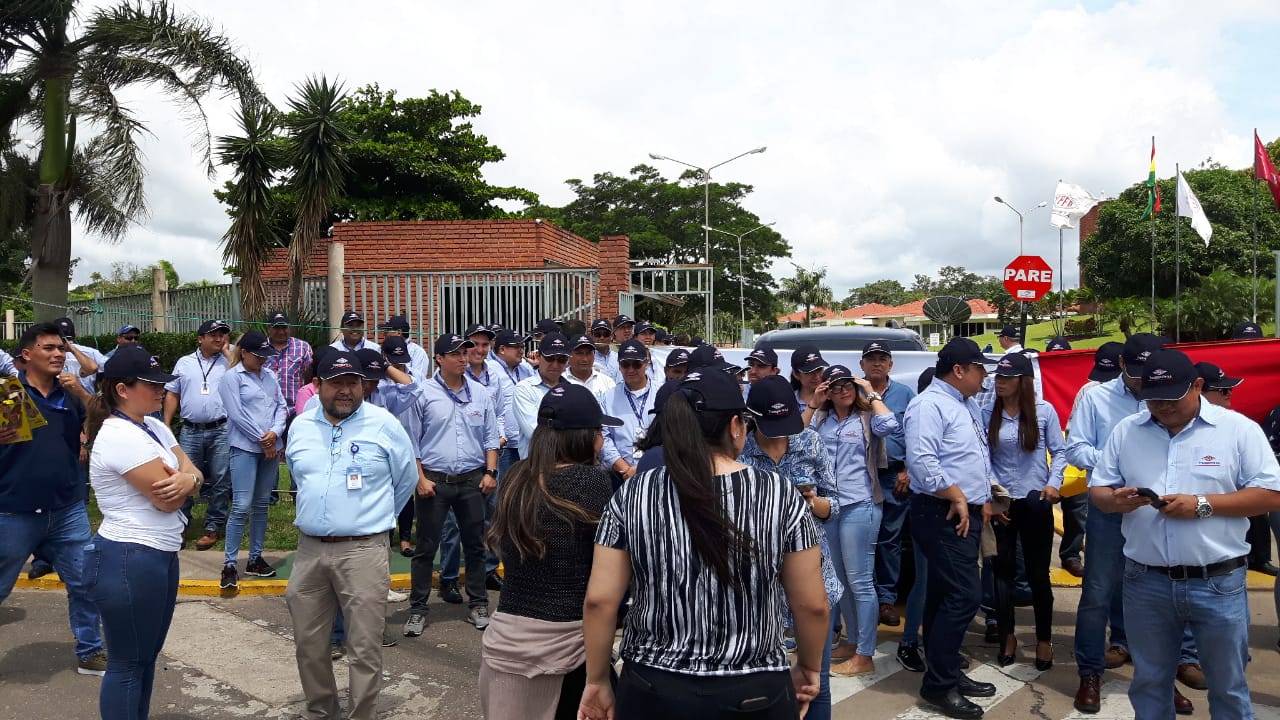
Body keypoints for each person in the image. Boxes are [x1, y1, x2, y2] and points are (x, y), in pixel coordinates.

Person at [577, 369, 829, 720]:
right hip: (753, 686)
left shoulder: (636, 492)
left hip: (654, 684)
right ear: (735, 427)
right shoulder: (779, 493)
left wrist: (597, 679)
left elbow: (600, 600)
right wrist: (809, 666)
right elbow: (813, 605)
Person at [1091, 348, 1280, 720]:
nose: (1162, 407)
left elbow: (1271, 494)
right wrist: (1115, 500)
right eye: (1153, 399)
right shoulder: (1127, 430)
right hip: (1146, 581)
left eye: (1171, 398)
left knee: (1227, 686)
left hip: (1218, 581)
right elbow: (1099, 491)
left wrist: (1203, 505)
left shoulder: (1237, 430)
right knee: (1149, 682)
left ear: (1197, 386)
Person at [1066, 334, 1198, 714]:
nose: (1145, 383)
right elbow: (1076, 447)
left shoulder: (1174, 395)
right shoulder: (1095, 397)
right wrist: (1119, 466)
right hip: (1111, 506)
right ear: (1122, 366)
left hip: (1160, 509)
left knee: (1160, 597)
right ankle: (1089, 672)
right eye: (1137, 373)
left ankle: (1160, 677)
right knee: (1097, 592)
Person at [284, 350, 418, 720]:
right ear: (318, 386)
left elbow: (405, 480)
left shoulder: (384, 425)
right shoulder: (301, 426)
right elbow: (298, 475)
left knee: (364, 647)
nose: (345, 391)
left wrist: (369, 518)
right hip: (309, 551)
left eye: (352, 383)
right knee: (309, 645)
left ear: (363, 386)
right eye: (336, 383)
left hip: (363, 551)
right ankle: (321, 711)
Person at [479, 383, 620, 720]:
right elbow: (603, 587)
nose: (602, 439)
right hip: (569, 649)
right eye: (599, 430)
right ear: (584, 436)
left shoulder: (515, 477)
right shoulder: (593, 482)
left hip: (506, 640)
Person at [84, 344, 202, 720]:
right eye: (151, 385)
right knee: (127, 663)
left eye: (161, 384)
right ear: (122, 389)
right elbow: (168, 501)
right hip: (129, 556)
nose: (161, 391)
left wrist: (188, 480)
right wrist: (188, 482)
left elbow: (194, 471)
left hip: (157, 555)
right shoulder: (118, 434)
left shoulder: (153, 426)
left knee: (146, 658)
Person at [0, 322, 107, 676]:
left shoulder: (68, 393)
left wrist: (80, 393)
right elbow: (16, 448)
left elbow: (106, 422)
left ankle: (91, 651)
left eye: (61, 348)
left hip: (67, 509)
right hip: (16, 511)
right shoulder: (11, 393)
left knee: (85, 583)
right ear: (26, 355)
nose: (59, 354)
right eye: (49, 348)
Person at [904, 337, 997, 719]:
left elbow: (973, 454)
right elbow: (922, 461)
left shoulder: (966, 403)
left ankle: (948, 670)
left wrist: (982, 496)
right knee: (963, 595)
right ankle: (939, 685)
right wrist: (958, 495)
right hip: (941, 510)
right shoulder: (928, 405)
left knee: (945, 595)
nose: (984, 376)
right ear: (959, 370)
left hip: (964, 509)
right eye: (979, 369)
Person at [739, 374, 842, 720]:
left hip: (814, 577)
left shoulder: (810, 442)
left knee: (817, 683)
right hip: (760, 587)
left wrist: (812, 503)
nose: (781, 432)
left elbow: (835, 504)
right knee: (760, 686)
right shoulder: (740, 452)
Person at [404, 333, 500, 637]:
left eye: (465, 352)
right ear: (439, 359)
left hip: (472, 480)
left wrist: (491, 472)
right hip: (434, 481)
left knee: (474, 544)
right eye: (456, 353)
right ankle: (418, 608)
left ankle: (478, 603)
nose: (463, 358)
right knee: (425, 547)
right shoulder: (423, 393)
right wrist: (420, 479)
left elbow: (490, 436)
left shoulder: (481, 394)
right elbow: (412, 442)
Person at [810, 364, 900, 677]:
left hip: (860, 504)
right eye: (836, 386)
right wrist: (813, 403)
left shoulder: (867, 417)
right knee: (840, 581)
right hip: (829, 507)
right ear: (828, 391)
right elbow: (796, 440)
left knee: (860, 580)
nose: (843, 390)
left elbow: (890, 424)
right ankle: (852, 641)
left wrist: (869, 390)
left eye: (848, 385)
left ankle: (865, 653)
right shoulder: (822, 418)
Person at [982, 352, 1065, 670]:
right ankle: (1007, 636)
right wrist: (991, 493)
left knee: (1037, 574)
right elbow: (982, 456)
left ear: (1023, 381)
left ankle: (1044, 639)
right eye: (997, 378)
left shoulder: (1044, 412)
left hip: (1035, 502)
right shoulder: (987, 411)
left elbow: (1059, 451)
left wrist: (1053, 483)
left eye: (1006, 378)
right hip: (1003, 502)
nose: (999, 383)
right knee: (1001, 574)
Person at [218, 331, 287, 589]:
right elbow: (236, 414)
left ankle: (256, 558)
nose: (263, 360)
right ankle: (230, 563)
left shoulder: (270, 376)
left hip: (269, 446)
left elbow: (282, 407)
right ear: (244, 352)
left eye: (265, 356)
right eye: (258, 355)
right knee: (241, 505)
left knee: (261, 504)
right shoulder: (231, 378)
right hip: (245, 447)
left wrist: (275, 433)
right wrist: (263, 439)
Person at [860, 341, 916, 629]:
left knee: (890, 541)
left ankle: (886, 600)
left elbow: (916, 435)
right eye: (871, 359)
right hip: (861, 476)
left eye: (882, 359)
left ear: (891, 365)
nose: (877, 364)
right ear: (862, 365)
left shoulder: (906, 394)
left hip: (895, 476)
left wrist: (908, 469)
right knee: (862, 538)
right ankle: (863, 599)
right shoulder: (852, 393)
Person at [164, 319, 234, 551]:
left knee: (221, 479)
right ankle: (181, 525)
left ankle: (213, 525)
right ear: (200, 338)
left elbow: (244, 374)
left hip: (221, 429)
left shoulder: (230, 360)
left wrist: (227, 352)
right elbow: (173, 394)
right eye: (213, 334)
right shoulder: (184, 363)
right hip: (191, 430)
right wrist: (165, 427)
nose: (218, 338)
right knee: (184, 478)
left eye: (222, 334)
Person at [1060, 342, 1124, 579]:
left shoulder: (1143, 396)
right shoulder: (1089, 392)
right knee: (1079, 512)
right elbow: (1072, 434)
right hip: (1094, 474)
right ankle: (1072, 554)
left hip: (1132, 485)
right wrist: (1109, 459)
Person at [601, 339, 658, 485]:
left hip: (656, 473)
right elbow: (604, 437)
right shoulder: (608, 398)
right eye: (625, 364)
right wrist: (626, 470)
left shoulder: (661, 394)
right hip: (619, 476)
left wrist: (642, 469)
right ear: (619, 366)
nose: (631, 369)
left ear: (646, 363)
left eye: (636, 364)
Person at [514, 333, 572, 446]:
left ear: (567, 361)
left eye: (561, 359)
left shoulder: (573, 389)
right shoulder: (524, 389)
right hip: (536, 462)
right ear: (539, 357)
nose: (555, 365)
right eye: (550, 358)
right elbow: (535, 434)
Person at [262, 310, 313, 423]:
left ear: (289, 328)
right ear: (268, 328)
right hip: (267, 412)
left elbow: (310, 379)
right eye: (276, 328)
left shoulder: (303, 347)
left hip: (296, 411)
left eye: (284, 327)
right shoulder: (261, 348)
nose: (281, 332)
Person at [53, 316, 104, 395]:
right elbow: (109, 368)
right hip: (88, 400)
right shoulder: (92, 352)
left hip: (63, 401)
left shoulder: (49, 354)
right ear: (75, 335)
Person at [565, 333, 616, 403]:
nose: (584, 359)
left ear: (594, 355)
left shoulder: (607, 383)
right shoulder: (560, 381)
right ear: (569, 355)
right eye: (579, 353)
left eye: (588, 353)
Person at [378, 315, 431, 379]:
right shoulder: (381, 349)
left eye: (387, 331)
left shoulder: (417, 352)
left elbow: (419, 380)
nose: (384, 334)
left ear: (399, 332)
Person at [790, 344, 827, 427]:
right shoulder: (787, 400)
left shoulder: (833, 396)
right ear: (796, 374)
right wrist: (813, 405)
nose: (817, 376)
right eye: (809, 372)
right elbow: (796, 435)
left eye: (819, 369)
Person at [588, 319, 622, 383]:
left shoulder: (618, 357)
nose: (602, 338)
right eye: (598, 334)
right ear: (591, 336)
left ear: (611, 336)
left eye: (606, 334)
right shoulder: (587, 359)